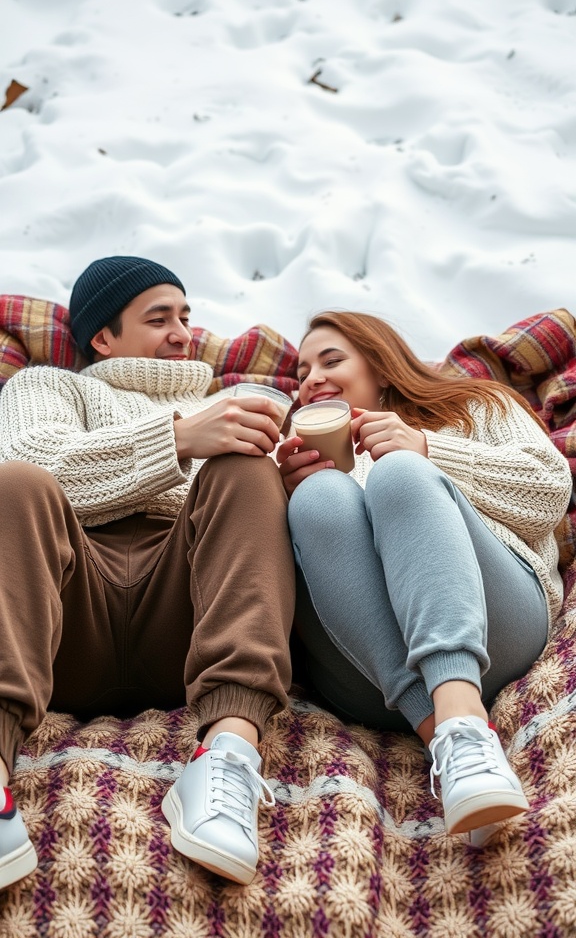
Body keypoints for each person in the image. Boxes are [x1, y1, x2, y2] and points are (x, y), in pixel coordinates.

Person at [0, 255, 296, 889]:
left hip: (184, 617)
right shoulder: (50, 385)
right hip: (64, 620)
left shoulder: (227, 405)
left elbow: (261, 537)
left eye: (186, 317)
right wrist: (181, 439)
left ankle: (227, 757)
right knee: (13, 483)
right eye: (158, 317)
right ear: (102, 336)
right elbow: (35, 457)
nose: (183, 333)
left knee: (247, 470)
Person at [277, 311, 572, 841]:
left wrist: (429, 450)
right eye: (301, 372)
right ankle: (456, 747)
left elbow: (549, 492)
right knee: (319, 497)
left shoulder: (477, 405)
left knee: (400, 472)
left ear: (382, 364)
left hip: (495, 625)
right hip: (368, 680)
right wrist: (284, 495)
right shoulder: (293, 455)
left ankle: (460, 718)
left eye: (331, 359)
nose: (311, 378)